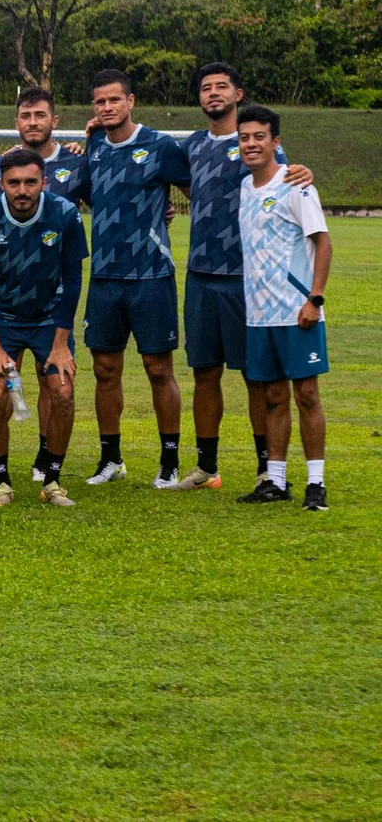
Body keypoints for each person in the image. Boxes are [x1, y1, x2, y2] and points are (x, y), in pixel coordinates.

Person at [175, 63, 309, 490]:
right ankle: (206, 467)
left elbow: (288, 182)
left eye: (221, 87)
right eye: (205, 88)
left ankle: (265, 466)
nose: (212, 93)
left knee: (255, 375)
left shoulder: (255, 143)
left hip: (246, 278)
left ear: (237, 94)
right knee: (203, 372)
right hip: (199, 274)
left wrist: (306, 172)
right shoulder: (192, 145)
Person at [72, 69, 190, 487]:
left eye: (114, 100)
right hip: (104, 276)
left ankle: (170, 460)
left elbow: (197, 190)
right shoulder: (95, 146)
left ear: (131, 101)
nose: (107, 108)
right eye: (99, 102)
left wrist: (165, 213)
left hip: (151, 275)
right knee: (105, 370)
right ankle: (111, 459)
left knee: (159, 369)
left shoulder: (160, 145)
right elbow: (88, 195)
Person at [0, 148, 87, 509]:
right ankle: (1, 481)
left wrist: (61, 343)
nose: (22, 190)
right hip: (1, 316)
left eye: (30, 182)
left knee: (62, 392)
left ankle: (52, 480)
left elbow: (74, 279)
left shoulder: (64, 214)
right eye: (14, 182)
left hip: (49, 317)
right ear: (1, 183)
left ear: (44, 183)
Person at [235, 106, 332, 510]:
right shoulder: (245, 187)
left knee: (306, 394)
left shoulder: (296, 185)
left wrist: (315, 299)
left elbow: (323, 243)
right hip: (259, 315)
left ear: (276, 141)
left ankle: (316, 483)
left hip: (297, 311)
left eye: (260, 136)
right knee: (272, 396)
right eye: (245, 137)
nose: (251, 144)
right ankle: (274, 480)